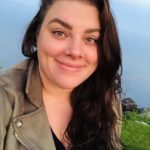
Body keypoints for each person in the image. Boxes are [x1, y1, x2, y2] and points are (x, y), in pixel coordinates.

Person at [0, 0, 122, 149]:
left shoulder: (107, 97)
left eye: (91, 39)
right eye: (60, 33)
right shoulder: (4, 99)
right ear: (37, 33)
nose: (75, 52)